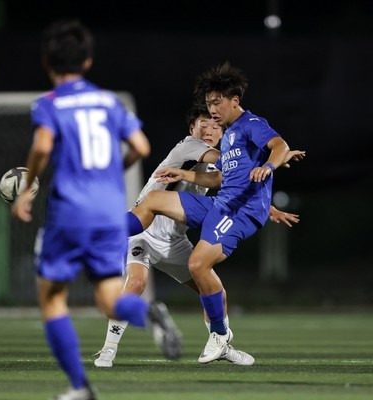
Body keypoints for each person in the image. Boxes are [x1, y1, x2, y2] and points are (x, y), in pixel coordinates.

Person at [11, 19, 179, 400]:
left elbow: (41, 147)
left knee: (53, 297)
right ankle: (149, 313)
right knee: (108, 298)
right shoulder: (108, 102)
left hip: (71, 211)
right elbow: (141, 146)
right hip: (109, 214)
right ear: (87, 62)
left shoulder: (50, 104)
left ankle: (80, 387)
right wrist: (113, 171)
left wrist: (25, 189)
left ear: (46, 63)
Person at [94, 104, 304, 367]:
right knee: (136, 284)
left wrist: (268, 207)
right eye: (202, 124)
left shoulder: (222, 160)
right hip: (144, 232)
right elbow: (229, 161)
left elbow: (229, 184)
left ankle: (221, 343)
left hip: (176, 241)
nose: (209, 129)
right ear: (191, 128)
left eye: (215, 126)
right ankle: (108, 350)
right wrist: (274, 157)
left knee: (213, 290)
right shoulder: (189, 146)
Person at [124, 62, 291, 363]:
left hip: (239, 212)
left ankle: (220, 336)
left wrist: (269, 166)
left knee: (198, 263)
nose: (212, 109)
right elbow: (219, 179)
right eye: (208, 103)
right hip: (220, 204)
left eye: (216, 103)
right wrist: (184, 175)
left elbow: (279, 145)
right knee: (154, 200)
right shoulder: (228, 137)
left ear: (234, 101)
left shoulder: (251, 124)